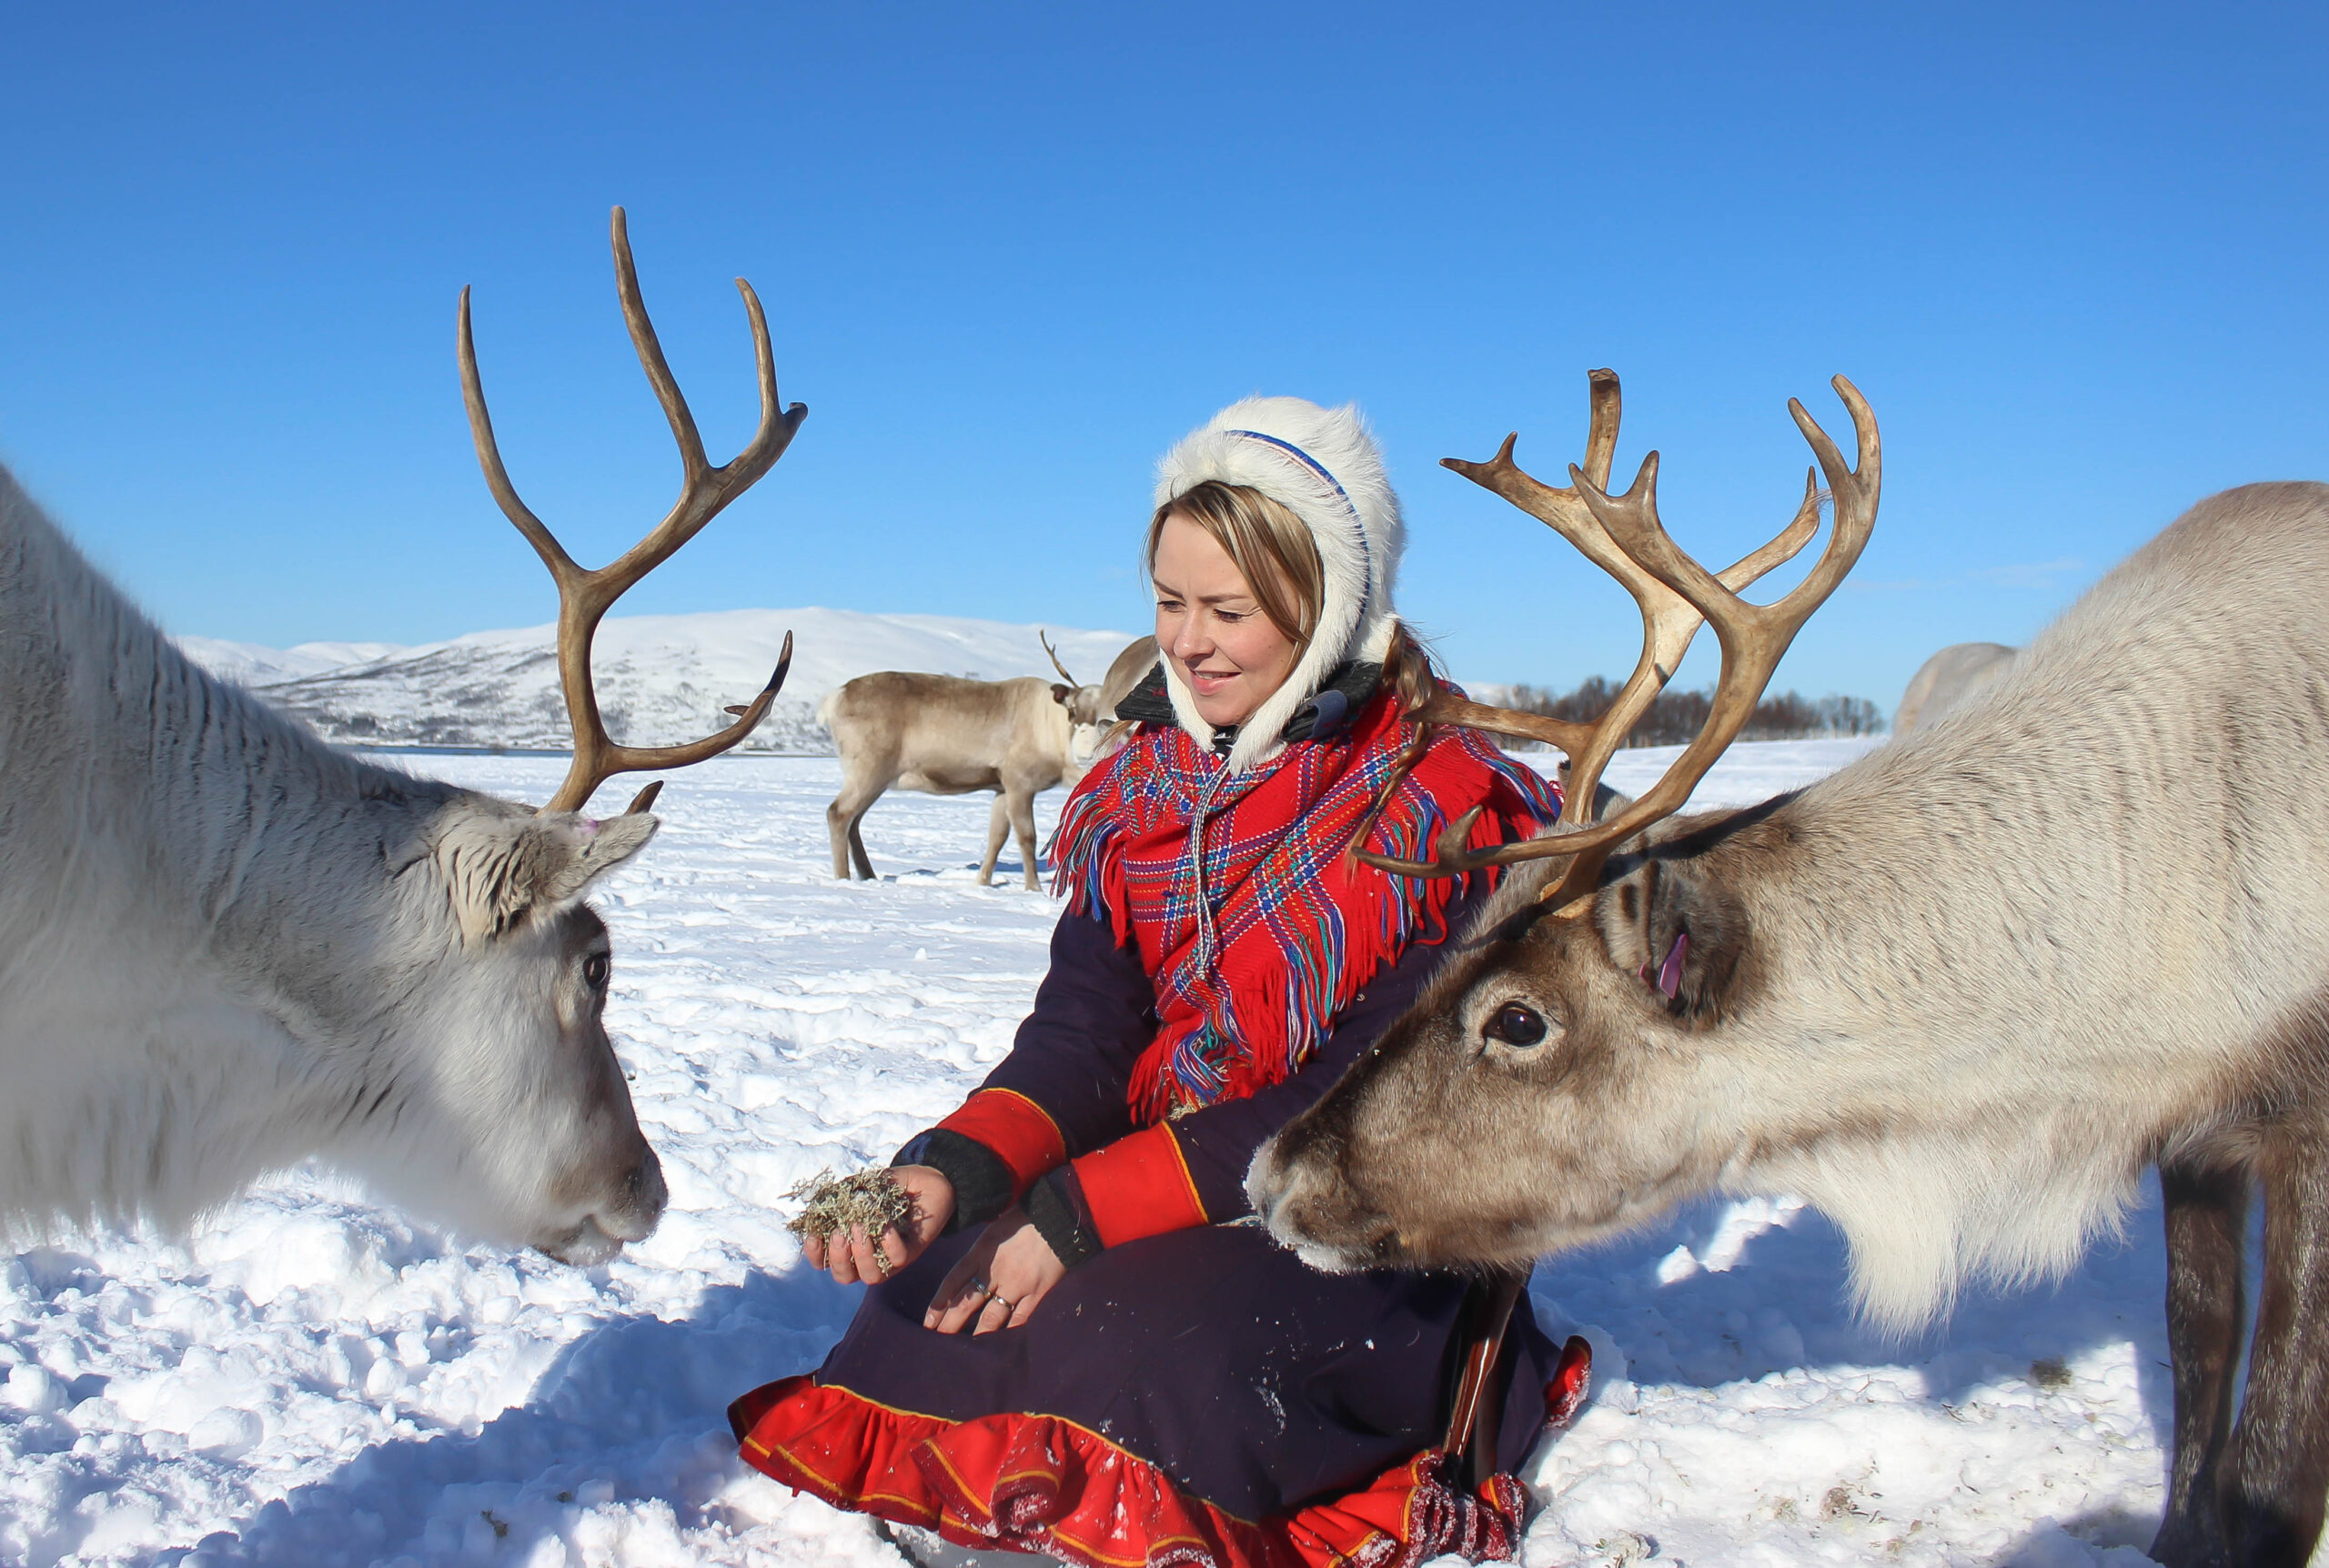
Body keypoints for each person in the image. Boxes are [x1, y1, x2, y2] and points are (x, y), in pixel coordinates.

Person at [731, 397, 1588, 1568]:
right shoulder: (1137, 801)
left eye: (1229, 610)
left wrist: (1076, 1218)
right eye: (1170, 603)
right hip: (1176, 1167)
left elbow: (1358, 1101)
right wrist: (957, 1169)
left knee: (1133, 1347)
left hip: (1363, 1206)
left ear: (1326, 608)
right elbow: (1083, 1032)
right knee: (927, 1290)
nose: (1188, 643)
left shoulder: (1435, 810)